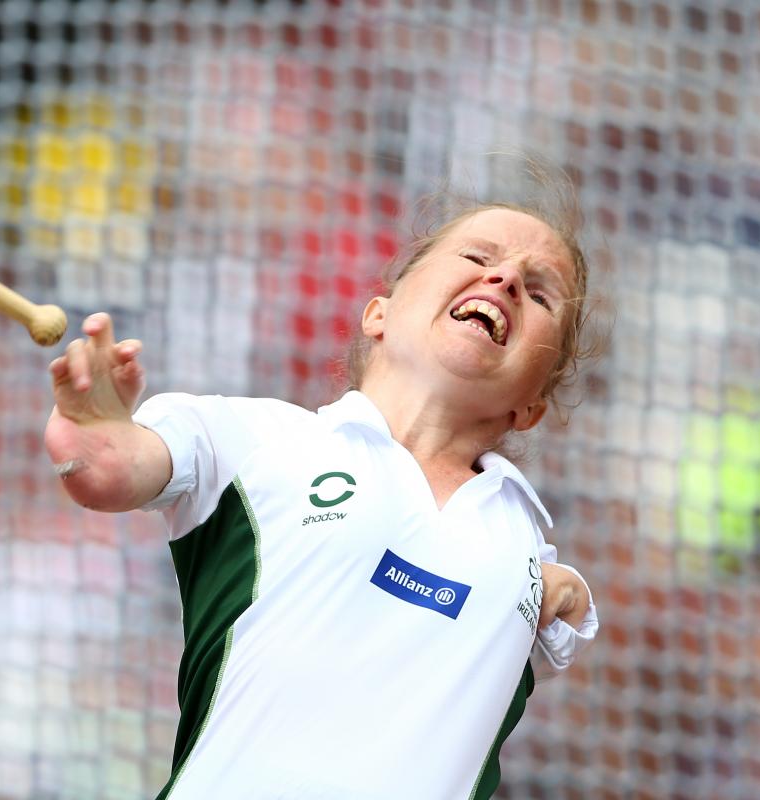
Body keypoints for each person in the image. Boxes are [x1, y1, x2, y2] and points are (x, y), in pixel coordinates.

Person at [44, 201, 600, 799]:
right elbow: (106, 468)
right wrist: (93, 436)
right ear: (378, 314)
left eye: (540, 294)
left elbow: (563, 620)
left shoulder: (522, 542)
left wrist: (562, 585)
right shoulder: (252, 438)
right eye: (476, 256)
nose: (507, 278)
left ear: (534, 405)